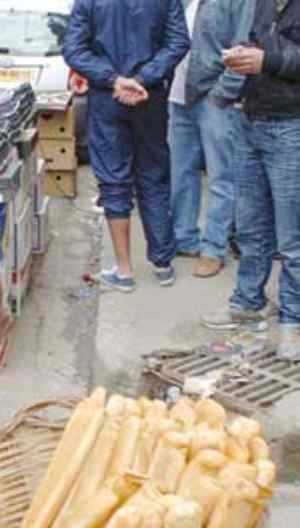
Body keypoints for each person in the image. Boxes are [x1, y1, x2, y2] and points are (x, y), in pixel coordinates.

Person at [64, 0, 190, 293]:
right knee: (153, 174)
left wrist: (115, 79)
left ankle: (124, 270)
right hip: (150, 95)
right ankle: (163, 264)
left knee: (113, 179)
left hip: (109, 96)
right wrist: (143, 78)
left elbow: (73, 48)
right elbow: (178, 41)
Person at [202, 0, 300, 359]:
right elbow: (259, 45)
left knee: (293, 240)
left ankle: (294, 323)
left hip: (292, 127)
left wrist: (266, 61)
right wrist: (241, 58)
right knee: (250, 227)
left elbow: (272, 57)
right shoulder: (261, 3)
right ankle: (247, 304)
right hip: (250, 121)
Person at [168, 0, 254, 279]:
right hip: (179, 96)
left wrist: (223, 94)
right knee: (181, 172)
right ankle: (184, 239)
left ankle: (214, 249)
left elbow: (244, 47)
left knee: (221, 177)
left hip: (214, 98)